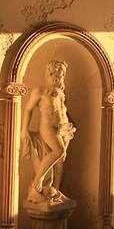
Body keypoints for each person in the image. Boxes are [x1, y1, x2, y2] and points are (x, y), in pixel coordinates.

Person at [21, 60, 76, 203]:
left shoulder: (61, 93)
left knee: (60, 162)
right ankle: (37, 181)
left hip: (63, 129)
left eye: (62, 75)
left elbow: (63, 112)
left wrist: (70, 125)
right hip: (48, 128)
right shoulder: (39, 91)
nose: (60, 78)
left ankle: (55, 191)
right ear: (50, 74)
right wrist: (24, 129)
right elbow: (28, 109)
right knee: (59, 151)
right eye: (58, 75)